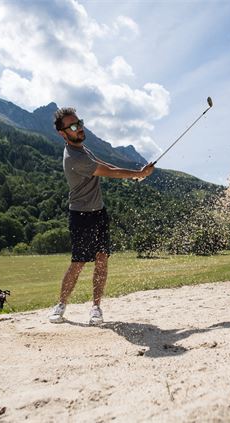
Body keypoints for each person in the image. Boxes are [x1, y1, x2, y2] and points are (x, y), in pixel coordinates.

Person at [49, 107, 155, 325]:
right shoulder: (73, 157)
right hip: (80, 215)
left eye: (80, 123)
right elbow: (110, 173)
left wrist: (136, 176)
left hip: (99, 213)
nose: (80, 128)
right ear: (63, 133)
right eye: (74, 126)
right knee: (78, 263)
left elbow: (106, 165)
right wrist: (139, 174)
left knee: (101, 260)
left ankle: (96, 307)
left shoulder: (83, 149)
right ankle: (61, 305)